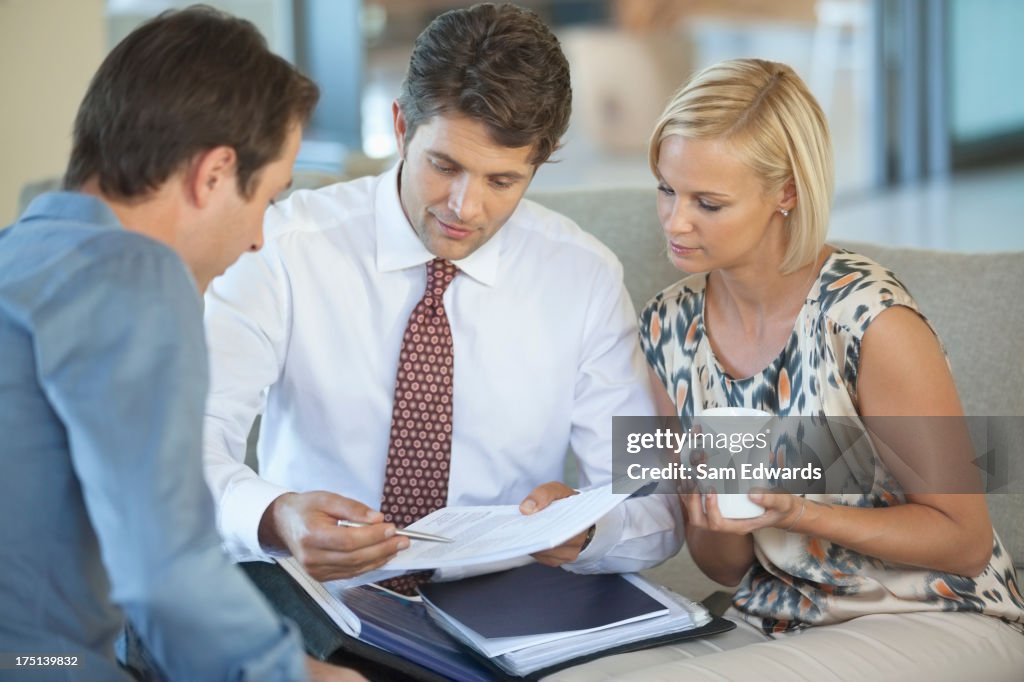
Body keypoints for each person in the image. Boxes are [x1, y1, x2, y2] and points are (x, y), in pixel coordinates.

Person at [550, 58, 1024, 680]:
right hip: (778, 618)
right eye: (666, 189)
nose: (675, 221)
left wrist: (798, 512)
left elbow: (963, 540)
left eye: (708, 202)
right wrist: (699, 497)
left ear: (787, 192)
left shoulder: (868, 320)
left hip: (938, 614)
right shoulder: (668, 326)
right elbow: (725, 568)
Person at [202, 1, 681, 592]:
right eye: (444, 165)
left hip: (501, 605)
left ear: (542, 159)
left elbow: (654, 503)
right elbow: (189, 449)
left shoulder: (585, 278)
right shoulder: (281, 247)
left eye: (501, 180)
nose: (464, 207)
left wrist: (586, 532)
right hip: (322, 597)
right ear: (401, 126)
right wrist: (273, 518)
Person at [0, 7, 362, 681]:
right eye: (267, 196)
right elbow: (165, 563)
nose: (257, 236)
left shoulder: (20, 254)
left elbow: (629, 474)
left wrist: (611, 525)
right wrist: (291, 673)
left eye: (503, 177)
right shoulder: (139, 273)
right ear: (215, 173)